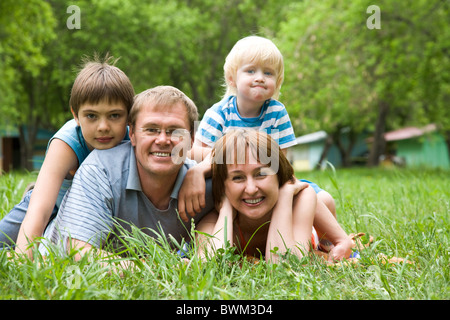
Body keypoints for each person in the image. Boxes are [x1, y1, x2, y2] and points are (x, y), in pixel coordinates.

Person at [178, 36, 341, 253]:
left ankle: (325, 241)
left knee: (324, 199)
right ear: (232, 79)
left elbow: (280, 161)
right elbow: (195, 151)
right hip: (233, 180)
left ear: (277, 82)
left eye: (268, 73)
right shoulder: (220, 112)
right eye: (251, 71)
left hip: (269, 178)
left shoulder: (277, 112)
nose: (260, 78)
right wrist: (231, 157)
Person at [38, 86, 214, 262]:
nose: (162, 140)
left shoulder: (201, 181)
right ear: (132, 134)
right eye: (151, 129)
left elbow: (237, 146)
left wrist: (201, 170)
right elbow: (79, 253)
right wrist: (159, 270)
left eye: (175, 131)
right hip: (51, 256)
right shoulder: (100, 169)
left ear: (192, 138)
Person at [0, 55, 135, 257]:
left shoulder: (133, 137)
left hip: (99, 210)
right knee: (5, 240)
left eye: (114, 115)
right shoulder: (67, 143)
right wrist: (23, 261)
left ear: (129, 115)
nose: (103, 127)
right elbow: (40, 209)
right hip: (53, 202)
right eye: (91, 116)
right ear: (75, 115)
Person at [196, 129, 352, 263]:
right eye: (237, 178)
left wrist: (284, 196)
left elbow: (283, 267)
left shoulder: (298, 200)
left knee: (319, 198)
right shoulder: (213, 219)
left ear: (279, 176)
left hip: (306, 224)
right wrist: (226, 211)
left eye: (261, 174)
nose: (250, 189)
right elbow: (211, 265)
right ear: (223, 186)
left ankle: (329, 237)